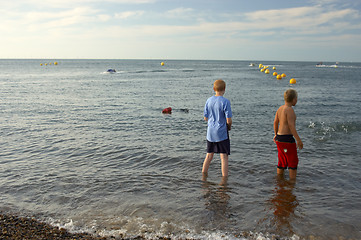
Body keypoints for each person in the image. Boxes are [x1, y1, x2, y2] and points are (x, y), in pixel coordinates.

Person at [202, 79, 232, 177]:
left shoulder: (209, 100)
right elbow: (229, 120)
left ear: (214, 89)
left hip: (210, 132)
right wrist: (229, 127)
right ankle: (224, 179)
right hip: (221, 132)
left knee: (209, 155)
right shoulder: (226, 102)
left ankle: (203, 174)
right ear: (224, 89)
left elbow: (205, 118)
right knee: (223, 157)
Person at [273, 89, 303, 180]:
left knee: (282, 161)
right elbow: (291, 126)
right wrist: (298, 140)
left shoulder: (280, 108)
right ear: (293, 99)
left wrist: (275, 134)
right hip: (287, 139)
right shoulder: (289, 110)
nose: (297, 100)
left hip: (279, 138)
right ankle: (292, 183)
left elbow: (275, 122)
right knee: (292, 161)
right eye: (296, 98)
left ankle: (279, 181)